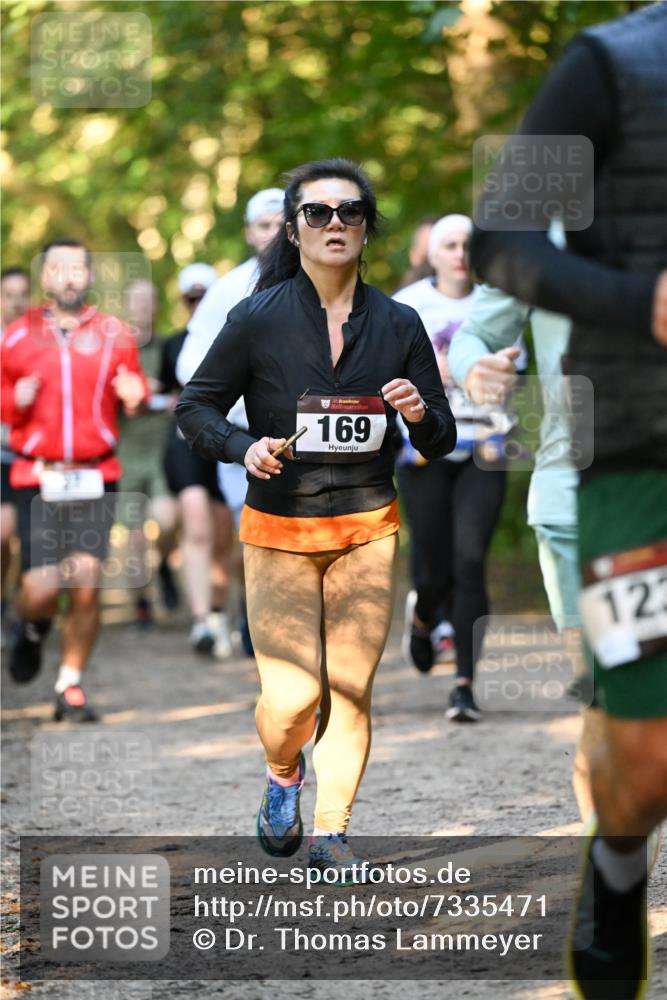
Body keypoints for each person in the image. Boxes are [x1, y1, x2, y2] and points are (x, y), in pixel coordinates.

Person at [176, 158, 456, 878]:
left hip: (366, 527)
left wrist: (419, 413)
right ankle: (282, 773)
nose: (335, 223)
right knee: (291, 700)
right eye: (317, 212)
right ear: (294, 230)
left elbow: (439, 438)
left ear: (366, 228)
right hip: (279, 528)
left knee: (351, 690)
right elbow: (195, 408)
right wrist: (242, 446)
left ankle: (331, 833)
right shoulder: (257, 318)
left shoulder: (398, 323)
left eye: (349, 212)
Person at [470, 4, 667, 995]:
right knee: (647, 755)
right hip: (637, 447)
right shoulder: (613, 64)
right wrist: (642, 303)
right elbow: (499, 240)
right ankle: (617, 861)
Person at [447, 275, 605, 821]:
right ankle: (612, 858)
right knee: (603, 697)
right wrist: (474, 367)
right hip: (572, 499)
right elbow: (474, 334)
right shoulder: (543, 238)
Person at [1, 239, 148, 721]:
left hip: (95, 472)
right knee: (43, 588)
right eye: (58, 268)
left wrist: (135, 395)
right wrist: (14, 400)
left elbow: (134, 394)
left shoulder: (114, 333)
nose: (68, 277)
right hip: (37, 474)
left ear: (89, 275)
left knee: (86, 582)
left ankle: (70, 684)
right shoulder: (17, 336)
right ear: (45, 277)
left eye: (77, 268)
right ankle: (31, 628)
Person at [393, 214, 520, 723]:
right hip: (423, 449)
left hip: (485, 446)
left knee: (470, 560)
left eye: (468, 244)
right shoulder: (407, 306)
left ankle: (464, 684)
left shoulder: (500, 302)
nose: (460, 254)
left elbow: (513, 371)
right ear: (432, 254)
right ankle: (424, 616)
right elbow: (385, 372)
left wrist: (491, 372)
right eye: (449, 245)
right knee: (434, 566)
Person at [176, 187, 284, 656]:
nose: (274, 233)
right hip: (243, 436)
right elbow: (191, 365)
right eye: (264, 225)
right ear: (249, 232)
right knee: (253, 531)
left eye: (282, 223)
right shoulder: (227, 290)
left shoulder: (323, 282)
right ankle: (252, 614)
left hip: (308, 432)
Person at [159, 263, 234, 657]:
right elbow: (159, 392)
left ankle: (219, 613)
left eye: (204, 296)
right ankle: (202, 620)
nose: (197, 304)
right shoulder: (174, 345)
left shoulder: (234, 335)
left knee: (224, 534)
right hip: (185, 443)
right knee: (197, 523)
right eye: (191, 298)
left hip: (226, 444)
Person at [117, 279, 180, 628]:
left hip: (161, 452)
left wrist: (172, 400)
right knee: (135, 535)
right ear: (126, 306)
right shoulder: (115, 350)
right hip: (125, 454)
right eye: (136, 300)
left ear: (157, 306)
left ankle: (166, 564)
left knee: (168, 521)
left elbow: (185, 392)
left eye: (149, 300)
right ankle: (141, 604)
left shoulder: (168, 348)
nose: (143, 307)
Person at [1, 267, 30, 644]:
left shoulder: (40, 341)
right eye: (8, 294)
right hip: (3, 454)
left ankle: (28, 611)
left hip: (35, 456)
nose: (16, 302)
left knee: (32, 537)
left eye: (23, 294)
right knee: (4, 532)